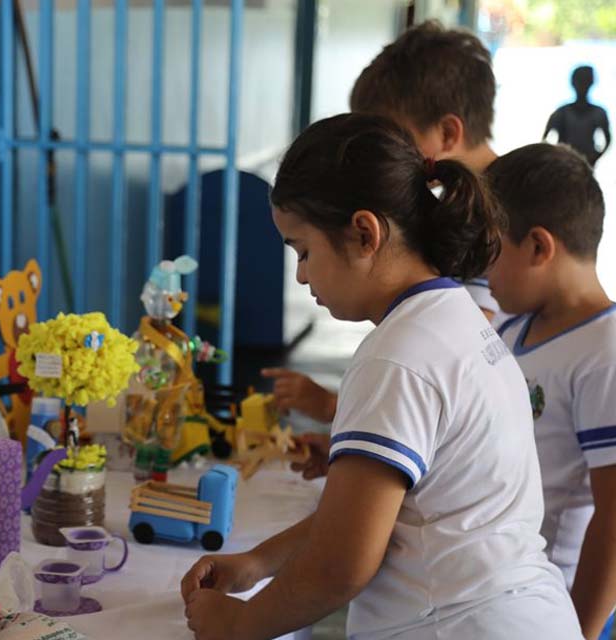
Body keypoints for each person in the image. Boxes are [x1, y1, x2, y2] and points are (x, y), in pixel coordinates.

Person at [180, 113, 580, 640]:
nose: (301, 274)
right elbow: (377, 519)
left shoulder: (396, 357)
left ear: (364, 233)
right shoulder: (452, 317)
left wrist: (242, 624)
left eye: (304, 250)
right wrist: (258, 562)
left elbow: (340, 565)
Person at [264, 22, 505, 429]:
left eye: (392, 141)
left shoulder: (496, 222)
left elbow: (438, 372)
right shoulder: (459, 209)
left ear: (447, 132)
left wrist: (338, 411)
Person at [487, 143, 616, 640]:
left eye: (491, 251)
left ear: (539, 247)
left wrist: (579, 630)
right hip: (499, 597)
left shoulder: (603, 353)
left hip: (551, 607)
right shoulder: (511, 328)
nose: (483, 271)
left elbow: (614, 517)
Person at [544, 66, 612, 167]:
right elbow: (545, 139)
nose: (582, 86)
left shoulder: (598, 113)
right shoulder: (562, 112)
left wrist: (594, 157)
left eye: (585, 81)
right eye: (580, 81)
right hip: (565, 164)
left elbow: (608, 139)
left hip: (584, 164)